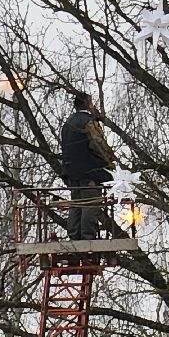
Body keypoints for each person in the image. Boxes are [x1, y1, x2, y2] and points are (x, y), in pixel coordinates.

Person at [60, 90, 116, 241]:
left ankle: (74, 236)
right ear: (88, 104)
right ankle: (87, 237)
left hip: (71, 173)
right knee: (90, 204)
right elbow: (98, 145)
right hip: (89, 172)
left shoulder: (67, 124)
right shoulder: (87, 122)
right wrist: (110, 163)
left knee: (76, 204)